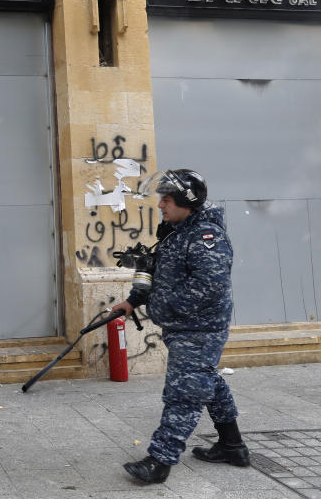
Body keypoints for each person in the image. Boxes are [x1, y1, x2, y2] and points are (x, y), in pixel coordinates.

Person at [112, 169, 249, 484]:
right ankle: (232, 446)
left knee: (184, 393)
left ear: (187, 201)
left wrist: (163, 306)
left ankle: (159, 461)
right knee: (208, 383)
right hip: (183, 326)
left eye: (167, 199)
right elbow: (161, 273)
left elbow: (209, 288)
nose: (160, 204)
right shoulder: (176, 230)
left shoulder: (205, 237)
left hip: (199, 329)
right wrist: (133, 300)